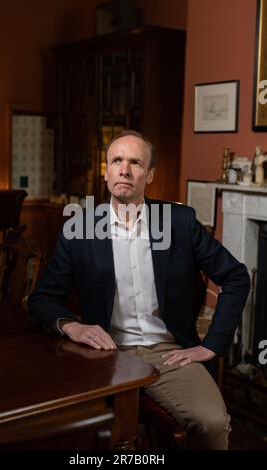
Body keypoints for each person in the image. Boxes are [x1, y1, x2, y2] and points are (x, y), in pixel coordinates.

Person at [28, 130, 250, 449]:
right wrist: (72, 326)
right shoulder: (78, 230)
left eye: (136, 162)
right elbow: (43, 299)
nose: (125, 169)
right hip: (102, 352)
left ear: (150, 174)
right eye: (117, 160)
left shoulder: (179, 222)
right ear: (107, 171)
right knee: (63, 429)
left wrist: (213, 344)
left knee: (212, 424)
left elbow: (236, 277)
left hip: (168, 352)